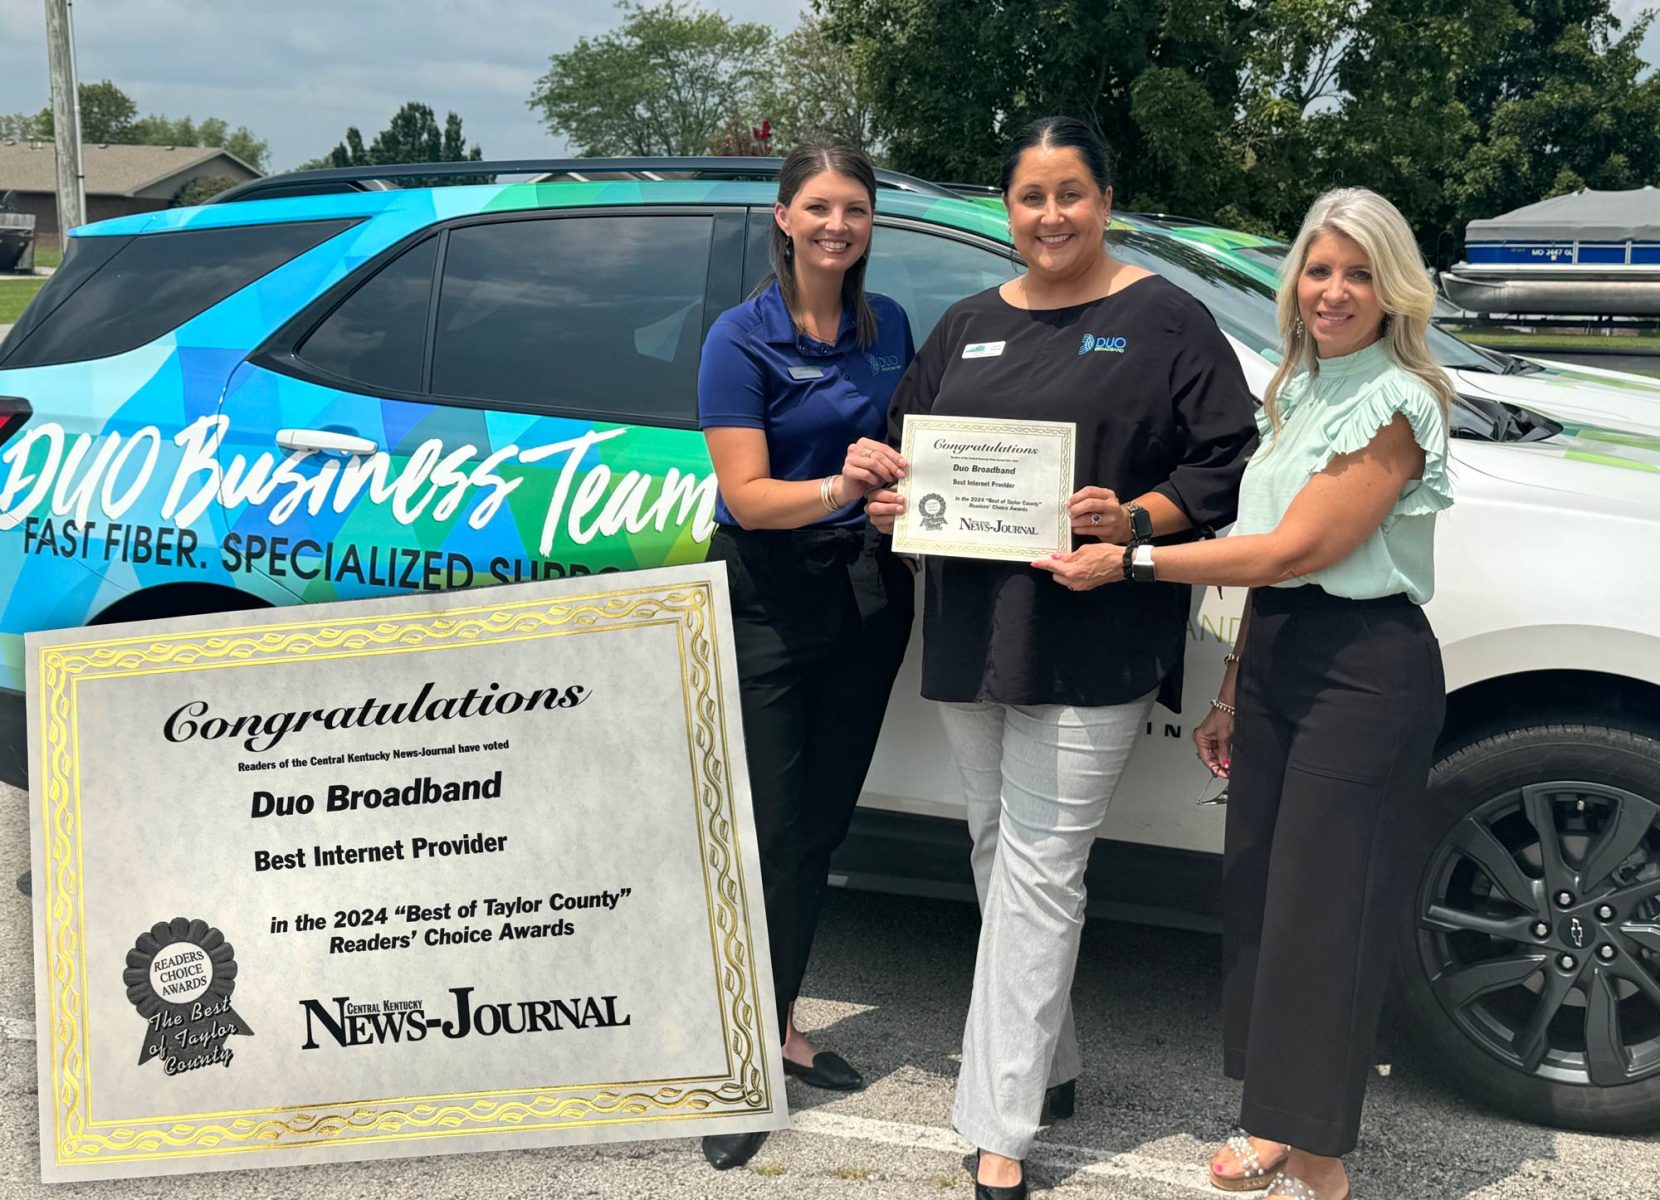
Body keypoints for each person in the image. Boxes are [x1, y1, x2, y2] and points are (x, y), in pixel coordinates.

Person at [867, 116, 1257, 1200]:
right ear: (1007, 209)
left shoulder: (1163, 319)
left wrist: (1134, 519)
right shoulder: (963, 326)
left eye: (1071, 193)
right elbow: (913, 458)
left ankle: (998, 1125)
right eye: (1031, 196)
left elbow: (1227, 462)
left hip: (1093, 637)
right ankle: (1054, 1062)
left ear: (1106, 200)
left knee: (1042, 868)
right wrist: (893, 493)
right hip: (969, 629)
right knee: (998, 850)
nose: (1051, 216)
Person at [1043, 187, 1453, 1200]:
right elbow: (1268, 577)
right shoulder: (1298, 391)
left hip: (1364, 667)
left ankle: (1321, 1153)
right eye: (1319, 270)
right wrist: (1230, 687)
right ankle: (1273, 1120)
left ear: (1393, 288)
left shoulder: (1396, 401)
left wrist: (1131, 557)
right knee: (1265, 898)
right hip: (1279, 656)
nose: (1334, 290)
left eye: (1359, 273)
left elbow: (1295, 546)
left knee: (1328, 910)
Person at [695, 135, 916, 1172]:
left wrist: (911, 492)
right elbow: (745, 495)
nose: (837, 226)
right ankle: (737, 1061)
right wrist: (840, 486)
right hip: (767, 604)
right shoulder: (740, 339)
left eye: (855, 211)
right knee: (764, 836)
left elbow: (930, 452)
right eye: (818, 207)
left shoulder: (891, 328)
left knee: (820, 829)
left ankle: (777, 1022)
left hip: (867, 601)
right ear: (783, 217)